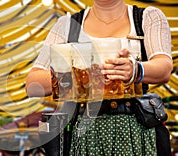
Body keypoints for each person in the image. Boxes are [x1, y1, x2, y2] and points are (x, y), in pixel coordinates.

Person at [25, 0, 173, 155]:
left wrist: (136, 69)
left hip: (134, 129)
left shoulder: (148, 17)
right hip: (83, 131)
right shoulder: (67, 25)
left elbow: (164, 68)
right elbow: (32, 84)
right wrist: (75, 76)